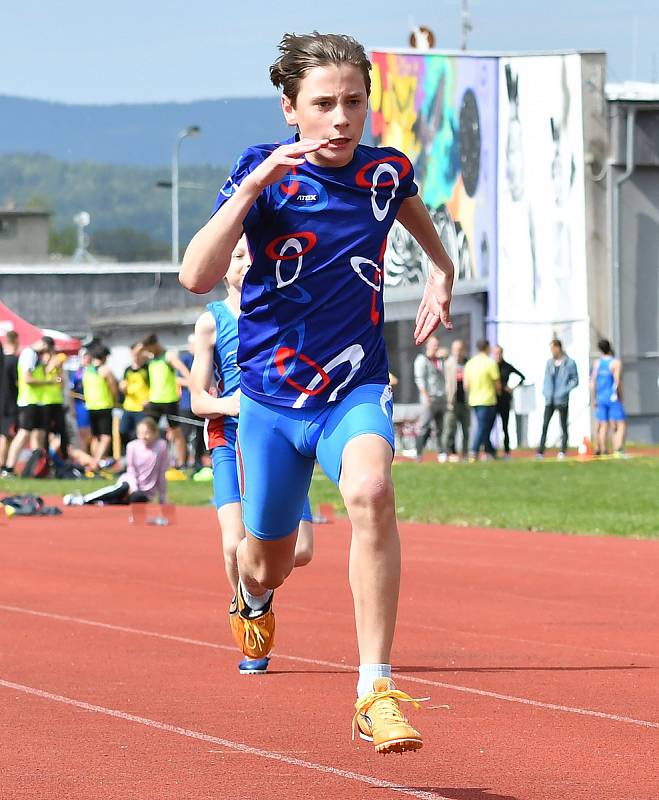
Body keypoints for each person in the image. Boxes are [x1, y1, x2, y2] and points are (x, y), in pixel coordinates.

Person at [180, 31, 454, 754]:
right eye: (323, 104)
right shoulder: (262, 174)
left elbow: (417, 219)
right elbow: (195, 277)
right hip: (270, 404)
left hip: (353, 386)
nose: (340, 119)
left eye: (354, 103)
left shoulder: (386, 172)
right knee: (266, 559)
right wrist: (250, 189)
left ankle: (375, 690)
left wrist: (441, 272)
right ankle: (253, 596)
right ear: (289, 108)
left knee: (370, 490)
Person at [189, 235, 314, 674]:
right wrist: (230, 404)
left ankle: (255, 586)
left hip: (280, 437)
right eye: (237, 256)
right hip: (230, 437)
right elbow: (197, 400)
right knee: (231, 543)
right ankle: (250, 615)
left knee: (301, 550)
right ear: (224, 265)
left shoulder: (283, 310)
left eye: (252, 255)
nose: (245, 263)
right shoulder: (213, 320)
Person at [64, 416, 167, 506]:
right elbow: (131, 470)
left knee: (137, 498)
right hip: (131, 483)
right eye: (140, 433)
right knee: (123, 488)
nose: (143, 436)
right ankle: (84, 499)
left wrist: (162, 496)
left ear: (155, 433)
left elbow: (161, 472)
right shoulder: (132, 446)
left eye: (147, 433)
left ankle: (104, 502)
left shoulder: (161, 446)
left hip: (145, 492)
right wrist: (134, 487)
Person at [2, 338, 54, 476]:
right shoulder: (29, 354)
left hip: (38, 401)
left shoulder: (37, 357)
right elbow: (27, 378)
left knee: (39, 435)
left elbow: (58, 380)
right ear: (44, 345)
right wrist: (48, 381)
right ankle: (9, 467)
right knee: (23, 433)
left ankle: (36, 467)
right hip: (28, 401)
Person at [140, 333, 190, 469]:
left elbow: (183, 370)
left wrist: (191, 383)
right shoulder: (151, 359)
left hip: (169, 400)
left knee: (176, 431)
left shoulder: (168, 356)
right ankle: (147, 462)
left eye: (149, 348)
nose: (148, 352)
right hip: (154, 401)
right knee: (147, 430)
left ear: (155, 345)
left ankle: (182, 463)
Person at [537, 339, 579, 459]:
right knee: (545, 425)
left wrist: (564, 390)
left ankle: (563, 450)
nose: (552, 351)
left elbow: (575, 380)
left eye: (553, 348)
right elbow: (546, 379)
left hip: (562, 399)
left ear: (558, 348)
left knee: (563, 426)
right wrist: (545, 392)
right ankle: (540, 451)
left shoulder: (569, 363)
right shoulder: (549, 363)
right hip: (549, 398)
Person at [464, 338, 501, 460]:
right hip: (488, 399)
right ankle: (473, 451)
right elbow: (497, 383)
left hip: (474, 399)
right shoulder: (490, 363)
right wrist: (499, 392)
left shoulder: (470, 363)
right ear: (487, 348)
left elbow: (466, 385)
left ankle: (490, 452)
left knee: (483, 427)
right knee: (484, 427)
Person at [413, 335, 447, 462]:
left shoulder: (440, 360)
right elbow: (419, 379)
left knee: (440, 427)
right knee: (424, 426)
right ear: (427, 345)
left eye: (437, 344)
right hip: (429, 398)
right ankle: (419, 454)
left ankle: (442, 453)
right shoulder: (422, 360)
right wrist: (426, 395)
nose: (436, 347)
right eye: (433, 344)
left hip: (440, 397)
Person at [591, 338, 626, 456]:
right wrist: (621, 394)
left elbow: (592, 383)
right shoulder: (615, 362)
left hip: (600, 397)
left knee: (603, 424)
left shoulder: (597, 363)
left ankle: (603, 449)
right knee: (619, 424)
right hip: (612, 397)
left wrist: (594, 398)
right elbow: (617, 381)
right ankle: (618, 449)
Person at [83, 344, 118, 461]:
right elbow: (113, 388)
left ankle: (94, 460)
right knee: (106, 436)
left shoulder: (87, 370)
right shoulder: (105, 370)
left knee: (95, 437)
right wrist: (115, 400)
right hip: (104, 406)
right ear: (104, 357)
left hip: (90, 406)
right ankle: (97, 462)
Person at [177, 334, 207, 473]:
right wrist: (194, 384)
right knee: (184, 434)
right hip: (186, 404)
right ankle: (183, 462)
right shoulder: (185, 359)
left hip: (201, 403)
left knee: (200, 434)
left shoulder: (204, 357)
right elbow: (178, 380)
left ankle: (197, 462)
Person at [492, 344, 525, 460]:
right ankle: (490, 451)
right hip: (492, 400)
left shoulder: (507, 366)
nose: (497, 355)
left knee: (505, 427)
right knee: (489, 426)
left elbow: (522, 377)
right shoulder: (491, 366)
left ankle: (507, 452)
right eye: (495, 353)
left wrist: (511, 388)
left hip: (505, 400)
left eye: (499, 353)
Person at [41, 337, 70, 459]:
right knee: (45, 432)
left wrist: (58, 371)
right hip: (44, 401)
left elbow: (61, 382)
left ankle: (65, 458)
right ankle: (45, 459)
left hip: (57, 400)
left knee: (62, 431)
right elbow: (41, 378)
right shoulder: (41, 360)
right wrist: (50, 366)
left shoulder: (57, 360)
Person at [442, 339, 470, 462]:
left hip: (465, 401)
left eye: (460, 349)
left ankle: (465, 454)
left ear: (464, 350)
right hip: (451, 402)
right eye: (455, 350)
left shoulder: (468, 364)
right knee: (450, 429)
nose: (458, 352)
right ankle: (449, 453)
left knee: (465, 430)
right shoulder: (448, 364)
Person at [119, 342, 150, 451]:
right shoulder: (127, 369)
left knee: (141, 434)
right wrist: (122, 388)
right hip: (129, 406)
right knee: (123, 431)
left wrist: (149, 400)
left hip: (142, 408)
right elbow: (123, 386)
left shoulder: (147, 368)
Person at [0, 331, 20, 471]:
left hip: (2, 402)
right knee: (6, 436)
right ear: (16, 341)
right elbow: (19, 382)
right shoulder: (14, 361)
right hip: (11, 403)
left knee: (5, 435)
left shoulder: (3, 360)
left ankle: (4, 465)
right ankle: (4, 466)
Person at [69, 347, 92, 452]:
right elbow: (71, 391)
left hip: (95, 404)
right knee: (83, 432)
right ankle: (85, 455)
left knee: (93, 432)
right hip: (81, 405)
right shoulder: (77, 373)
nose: (87, 359)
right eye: (84, 357)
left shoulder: (95, 370)